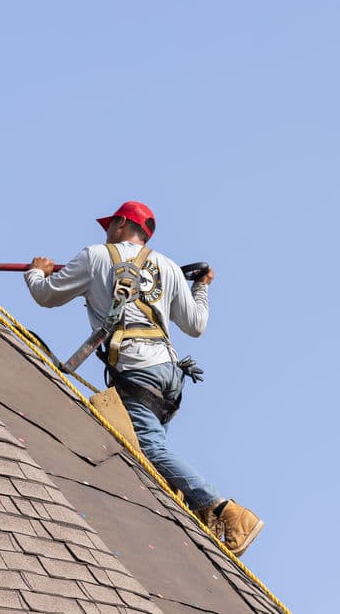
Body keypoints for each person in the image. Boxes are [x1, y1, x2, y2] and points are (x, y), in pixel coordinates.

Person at [24, 200, 263, 556]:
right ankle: (192, 518)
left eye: (109, 224)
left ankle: (226, 511)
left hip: (137, 370)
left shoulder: (95, 256)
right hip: (170, 373)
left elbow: (46, 296)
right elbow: (196, 325)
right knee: (151, 458)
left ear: (121, 223)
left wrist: (37, 272)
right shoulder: (167, 266)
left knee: (149, 448)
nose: (105, 231)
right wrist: (202, 287)